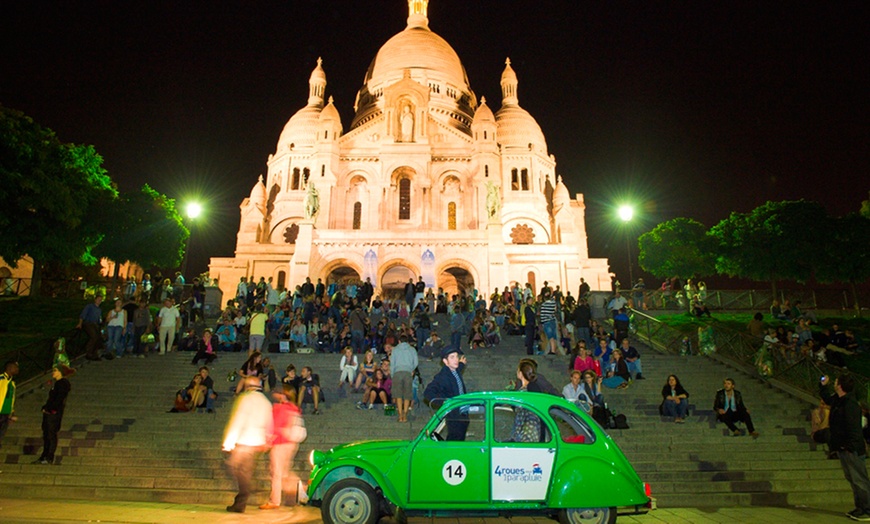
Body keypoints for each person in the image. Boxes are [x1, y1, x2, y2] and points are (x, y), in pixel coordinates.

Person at [821, 374, 870, 521]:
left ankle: (867, 508)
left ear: (840, 386)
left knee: (859, 479)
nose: (834, 383)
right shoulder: (839, 400)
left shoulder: (850, 404)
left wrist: (849, 446)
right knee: (852, 478)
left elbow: (853, 428)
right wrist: (823, 386)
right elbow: (828, 400)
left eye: (835, 382)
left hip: (851, 449)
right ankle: (860, 507)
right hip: (843, 447)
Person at [222, 376, 273, 513]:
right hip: (257, 442)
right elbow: (270, 423)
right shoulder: (266, 402)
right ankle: (242, 498)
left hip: (244, 441)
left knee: (235, 467)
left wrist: (229, 442)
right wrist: (267, 440)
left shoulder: (245, 399)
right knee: (245, 470)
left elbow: (238, 420)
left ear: (248, 386)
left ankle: (244, 493)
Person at [260, 383, 306, 510]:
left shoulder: (280, 408)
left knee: (277, 473)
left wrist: (268, 442)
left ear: (283, 395)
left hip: (280, 443)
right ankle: (299, 491)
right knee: (284, 472)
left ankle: (274, 501)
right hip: (291, 443)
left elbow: (275, 427)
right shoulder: (293, 408)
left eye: (277, 391)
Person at [423, 346, 469, 441]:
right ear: (445, 361)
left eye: (456, 356)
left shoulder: (455, 370)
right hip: (454, 416)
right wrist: (444, 402)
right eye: (452, 357)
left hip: (463, 413)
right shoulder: (442, 376)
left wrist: (462, 364)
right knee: (454, 441)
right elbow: (428, 392)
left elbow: (458, 368)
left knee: (460, 440)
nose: (456, 360)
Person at [33, 366, 72, 464]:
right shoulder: (58, 384)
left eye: (55, 371)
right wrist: (45, 407)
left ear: (60, 372)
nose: (53, 373)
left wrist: (49, 409)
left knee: (50, 434)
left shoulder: (63, 384)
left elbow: (58, 399)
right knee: (47, 434)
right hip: (51, 412)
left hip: (53, 414)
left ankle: (49, 456)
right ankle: (44, 456)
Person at [391, 334, 419, 423]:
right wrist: (411, 369)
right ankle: (405, 415)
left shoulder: (395, 349)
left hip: (397, 372)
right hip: (407, 372)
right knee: (407, 395)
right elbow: (416, 362)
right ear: (407, 341)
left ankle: (400, 416)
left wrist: (392, 375)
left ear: (399, 341)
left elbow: (392, 363)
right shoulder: (412, 349)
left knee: (398, 395)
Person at [77, 295, 105, 360]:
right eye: (98, 299)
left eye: (100, 300)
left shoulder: (99, 310)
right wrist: (80, 323)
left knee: (98, 338)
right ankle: (89, 352)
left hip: (96, 324)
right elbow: (83, 314)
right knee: (93, 336)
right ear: (95, 300)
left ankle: (94, 354)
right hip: (89, 323)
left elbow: (99, 319)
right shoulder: (89, 306)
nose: (99, 301)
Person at [0, 361, 19, 447]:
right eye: (15, 367)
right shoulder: (1, 379)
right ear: (9, 368)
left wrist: (12, 412)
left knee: (2, 433)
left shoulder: (12, 383)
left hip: (6, 413)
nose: (17, 370)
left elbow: (11, 398)